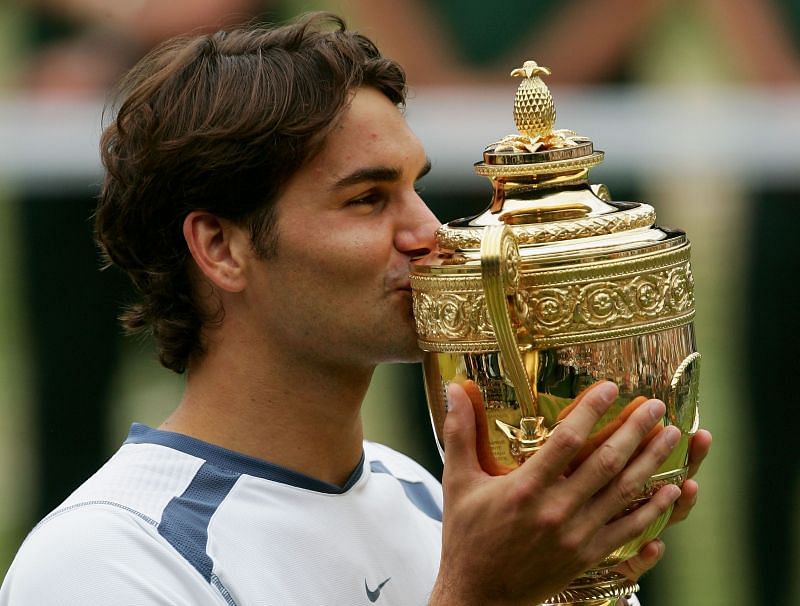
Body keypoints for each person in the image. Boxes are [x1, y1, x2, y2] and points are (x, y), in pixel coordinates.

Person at [0, 13, 711, 605]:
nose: (431, 234)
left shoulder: (425, 498)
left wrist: (585, 579)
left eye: (415, 188)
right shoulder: (103, 559)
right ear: (220, 247)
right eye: (369, 199)